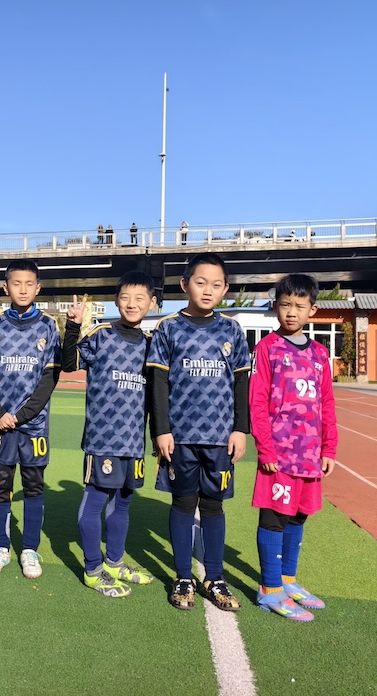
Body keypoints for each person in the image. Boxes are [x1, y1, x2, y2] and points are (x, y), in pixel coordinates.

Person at [147, 252, 251, 612]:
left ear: (225, 289)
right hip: (180, 437)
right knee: (182, 503)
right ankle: (182, 577)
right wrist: (161, 430)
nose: (208, 290)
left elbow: (241, 383)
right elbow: (158, 383)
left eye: (216, 284)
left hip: (220, 438)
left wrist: (240, 429)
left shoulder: (232, 330)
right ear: (184, 284)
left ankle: (214, 577)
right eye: (200, 282)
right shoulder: (168, 328)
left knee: (213, 506)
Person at [249, 274, 338, 621]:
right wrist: (266, 450)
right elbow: (257, 402)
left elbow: (326, 403)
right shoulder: (267, 348)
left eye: (299, 306)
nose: (291, 312)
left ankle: (287, 580)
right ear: (275, 307)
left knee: (299, 516)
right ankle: (269, 588)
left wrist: (329, 448)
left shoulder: (319, 353)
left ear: (312, 310)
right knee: (274, 517)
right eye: (285, 305)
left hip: (310, 455)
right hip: (279, 457)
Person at [63, 271, 156, 597]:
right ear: (116, 301)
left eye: (140, 298)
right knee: (94, 504)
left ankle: (114, 564)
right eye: (125, 298)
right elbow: (69, 363)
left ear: (152, 303)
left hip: (134, 442)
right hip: (103, 439)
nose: (132, 304)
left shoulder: (151, 344)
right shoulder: (101, 335)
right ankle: (92, 570)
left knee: (123, 504)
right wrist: (73, 327)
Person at [0, 259, 61, 578]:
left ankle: (29, 549)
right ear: (5, 287)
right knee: (1, 486)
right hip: (0, 425)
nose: (22, 289)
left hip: (33, 425)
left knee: (33, 486)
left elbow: (49, 379)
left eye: (29, 284)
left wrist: (22, 415)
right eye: (16, 283)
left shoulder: (48, 327)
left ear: (38, 288)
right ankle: (0, 547)